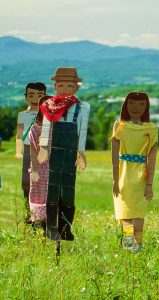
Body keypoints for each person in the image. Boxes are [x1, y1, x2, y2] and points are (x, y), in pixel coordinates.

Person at [37, 67, 90, 241]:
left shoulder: (82, 107)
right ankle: (52, 228)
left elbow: (82, 131)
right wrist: (43, 147)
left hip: (70, 153)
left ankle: (66, 228)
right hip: (53, 152)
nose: (65, 89)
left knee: (68, 190)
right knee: (52, 189)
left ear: (77, 87)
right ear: (54, 86)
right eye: (61, 85)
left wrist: (80, 153)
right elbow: (46, 128)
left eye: (69, 85)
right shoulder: (48, 106)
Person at [111, 92, 158, 253]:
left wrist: (150, 184)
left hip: (141, 177)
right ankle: (128, 244)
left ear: (146, 107)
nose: (136, 108)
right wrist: (115, 181)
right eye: (132, 103)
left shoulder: (151, 129)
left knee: (138, 212)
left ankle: (137, 246)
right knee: (124, 210)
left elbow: (152, 158)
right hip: (123, 175)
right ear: (126, 105)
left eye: (141, 104)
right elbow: (114, 156)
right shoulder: (120, 126)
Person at [16, 82, 46, 221]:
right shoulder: (23, 115)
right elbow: (19, 135)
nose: (35, 99)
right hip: (28, 150)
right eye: (31, 95)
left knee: (42, 183)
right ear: (26, 97)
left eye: (40, 96)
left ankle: (41, 214)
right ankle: (29, 214)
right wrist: (18, 151)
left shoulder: (46, 116)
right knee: (26, 182)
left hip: (43, 151)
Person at [28, 95, 52, 229]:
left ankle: (50, 226)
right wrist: (35, 170)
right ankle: (37, 226)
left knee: (50, 196)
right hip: (39, 167)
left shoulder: (56, 127)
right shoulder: (35, 128)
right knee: (38, 195)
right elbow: (32, 151)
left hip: (52, 167)